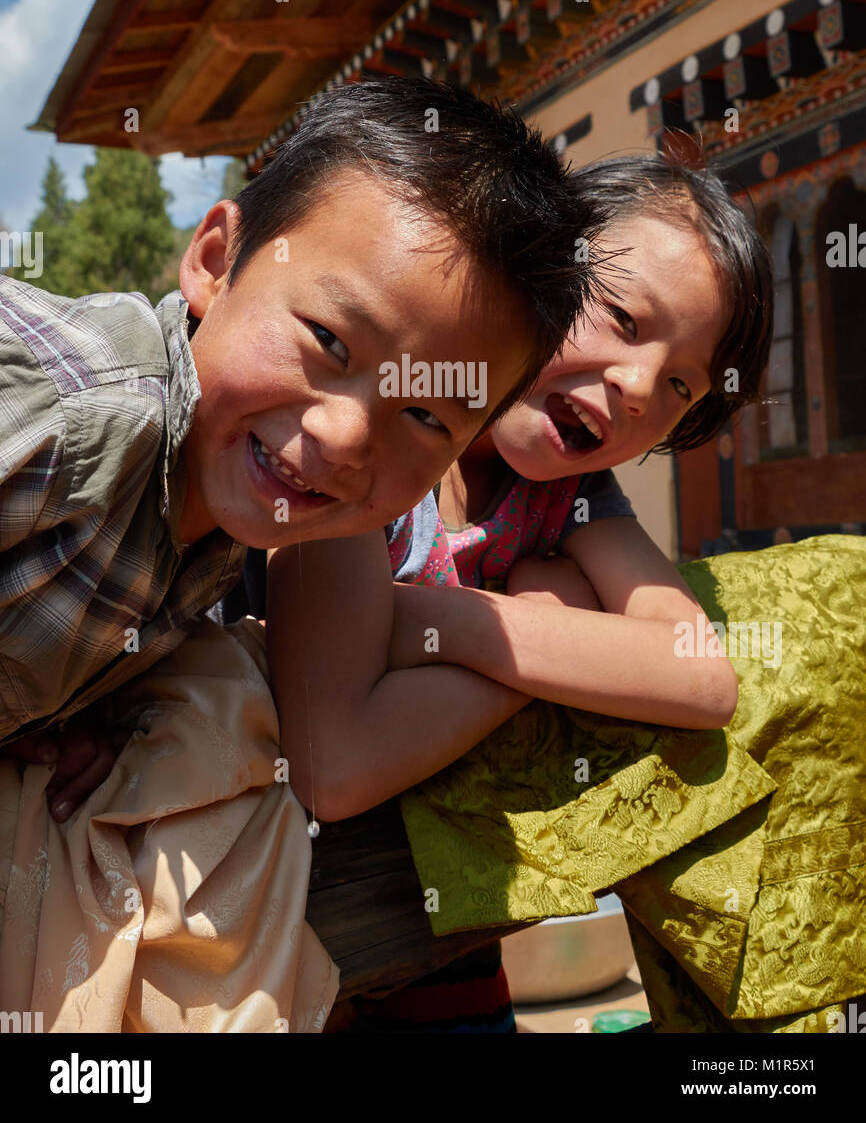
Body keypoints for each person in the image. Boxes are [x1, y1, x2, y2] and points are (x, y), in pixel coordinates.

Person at [0, 77, 612, 1032]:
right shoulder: (74, 416)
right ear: (215, 259)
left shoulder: (218, 520)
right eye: (328, 340)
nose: (341, 436)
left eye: (424, 415)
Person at [267, 153, 773, 1032]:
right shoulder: (376, 437)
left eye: (683, 385)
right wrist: (558, 628)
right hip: (272, 940)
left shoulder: (570, 498)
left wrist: (456, 622)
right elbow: (335, 763)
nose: (639, 386)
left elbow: (701, 674)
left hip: (444, 937)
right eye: (620, 316)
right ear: (534, 265)